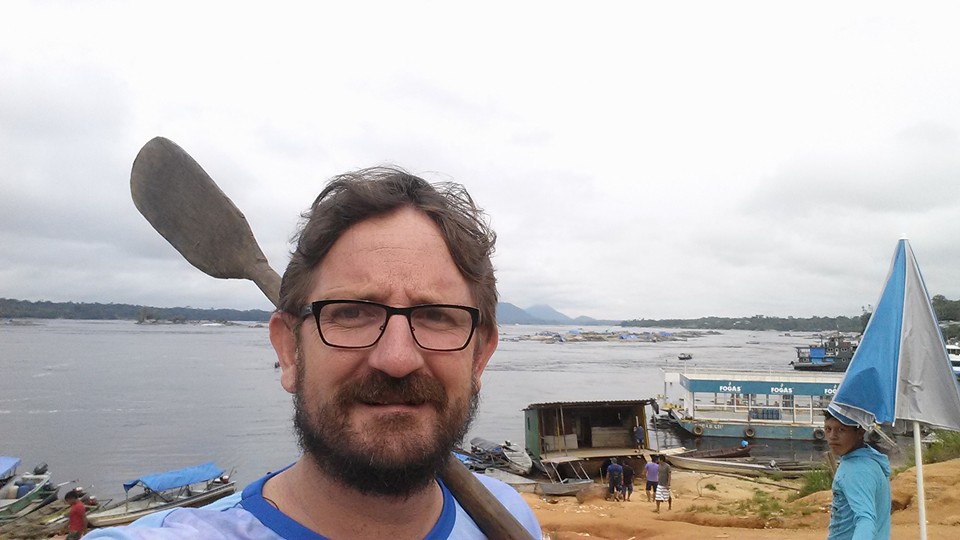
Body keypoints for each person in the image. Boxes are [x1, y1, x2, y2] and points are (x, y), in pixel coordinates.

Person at [85, 168, 541, 539]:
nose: (397, 359)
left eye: (437, 316)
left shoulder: (511, 513)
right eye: (351, 313)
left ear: (480, 356)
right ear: (289, 350)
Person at [824, 410, 891, 540]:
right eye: (828, 429)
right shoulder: (870, 461)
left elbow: (866, 519)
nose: (832, 436)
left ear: (860, 432)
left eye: (841, 430)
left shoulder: (856, 470)